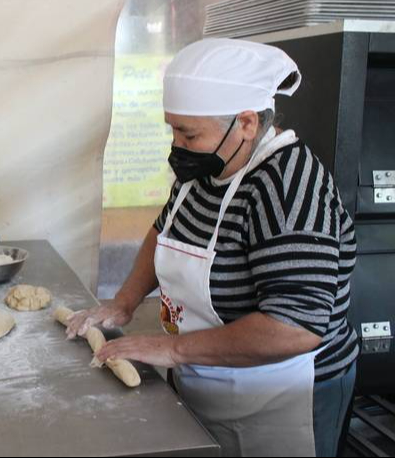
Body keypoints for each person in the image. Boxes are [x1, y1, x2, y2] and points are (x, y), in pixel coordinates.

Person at [68, 39, 358, 457]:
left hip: (282, 395)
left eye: (188, 132)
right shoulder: (208, 166)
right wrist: (125, 301)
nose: (177, 144)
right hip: (206, 373)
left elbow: (293, 327)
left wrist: (172, 348)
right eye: (172, 127)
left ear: (245, 123)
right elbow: (165, 231)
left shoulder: (288, 189)